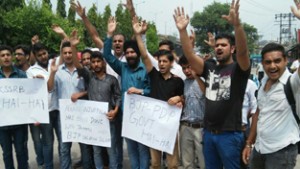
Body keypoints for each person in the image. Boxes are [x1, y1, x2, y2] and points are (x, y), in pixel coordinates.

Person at [174, 0, 251, 168]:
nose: (219, 48)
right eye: (217, 45)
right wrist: (182, 31)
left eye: (224, 45)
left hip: (230, 135)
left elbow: (244, 51)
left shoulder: (239, 69)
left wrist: (237, 25)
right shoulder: (210, 69)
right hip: (208, 134)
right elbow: (189, 55)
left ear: (232, 49)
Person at [133, 16, 184, 169]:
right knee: (155, 163)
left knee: (173, 164)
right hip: (153, 126)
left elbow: (184, 100)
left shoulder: (178, 81)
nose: (161, 64)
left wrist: (179, 98)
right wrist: (138, 35)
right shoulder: (154, 75)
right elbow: (144, 54)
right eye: (159, 61)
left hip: (170, 127)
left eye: (165, 61)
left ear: (171, 63)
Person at [242, 42, 300, 169]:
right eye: (268, 62)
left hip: (282, 151)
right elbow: (258, 114)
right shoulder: (263, 83)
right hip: (259, 148)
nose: (272, 66)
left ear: (286, 61)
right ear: (262, 64)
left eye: (277, 61)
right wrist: (249, 143)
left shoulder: (293, 82)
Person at [103, 16, 151, 169]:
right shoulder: (123, 67)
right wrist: (109, 35)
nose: (130, 55)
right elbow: (108, 56)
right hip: (126, 115)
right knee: (131, 149)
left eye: (133, 52)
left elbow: (152, 90)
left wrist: (140, 91)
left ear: (138, 54)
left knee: (142, 149)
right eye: (127, 52)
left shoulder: (146, 69)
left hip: (143, 116)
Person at [70, 31, 122, 169]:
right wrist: (74, 47)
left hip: (108, 118)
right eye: (93, 62)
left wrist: (115, 111)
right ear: (91, 64)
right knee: (97, 150)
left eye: (99, 61)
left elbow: (118, 96)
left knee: (111, 150)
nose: (96, 64)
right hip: (93, 120)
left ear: (103, 63)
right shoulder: (89, 77)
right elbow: (78, 65)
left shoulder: (112, 80)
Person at [47, 40, 91, 169]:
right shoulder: (58, 70)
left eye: (70, 52)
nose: (67, 55)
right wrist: (52, 72)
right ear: (62, 54)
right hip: (64, 115)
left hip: (82, 113)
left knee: (84, 146)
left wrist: (81, 94)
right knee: (64, 147)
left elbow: (92, 89)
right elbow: (49, 89)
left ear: (74, 54)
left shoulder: (83, 71)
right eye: (65, 53)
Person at [0, 45, 29, 169]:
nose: (6, 57)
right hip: (2, 124)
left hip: (19, 123)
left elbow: (29, 96)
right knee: (6, 154)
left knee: (21, 151)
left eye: (8, 55)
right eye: (2, 55)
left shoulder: (21, 75)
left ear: (12, 57)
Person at [178, 56, 206, 169]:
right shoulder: (183, 83)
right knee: (187, 163)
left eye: (189, 67)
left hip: (202, 127)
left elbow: (207, 93)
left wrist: (197, 77)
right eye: (184, 68)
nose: (187, 71)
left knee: (204, 162)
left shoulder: (205, 81)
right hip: (185, 126)